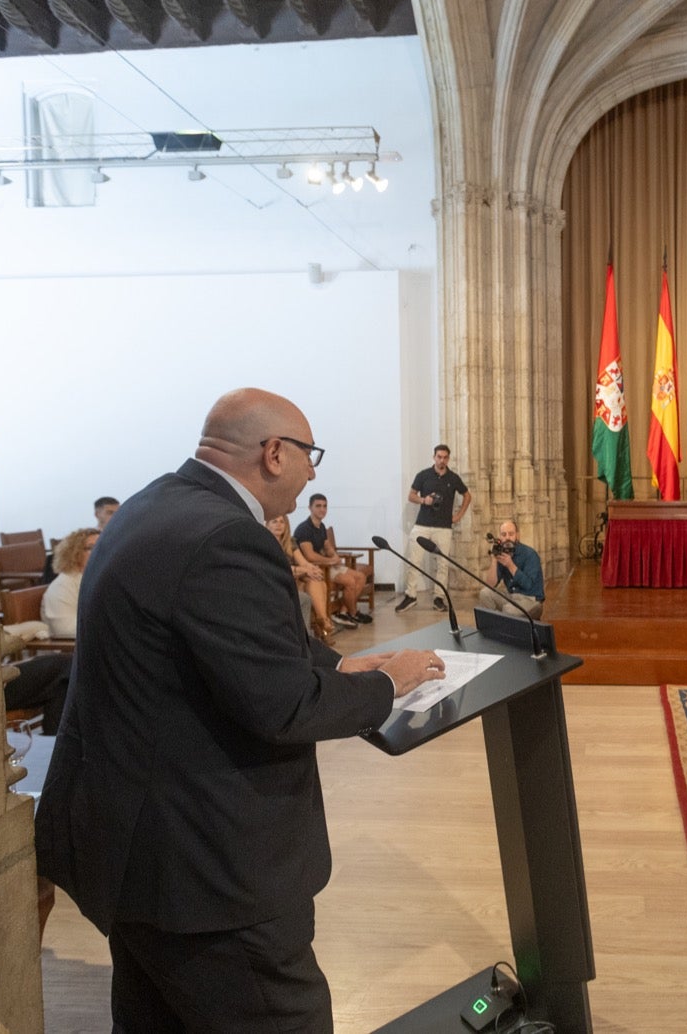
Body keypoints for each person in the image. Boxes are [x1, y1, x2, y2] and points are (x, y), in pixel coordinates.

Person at [32, 387, 440, 1034]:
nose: (313, 473)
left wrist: (339, 666)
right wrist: (390, 683)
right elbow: (282, 706)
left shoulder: (153, 505)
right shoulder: (226, 538)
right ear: (275, 453)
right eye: (311, 455)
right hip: (206, 870)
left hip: (133, 845)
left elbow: (232, 644)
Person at [396, 444, 472, 613]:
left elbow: (467, 495)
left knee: (443, 564)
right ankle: (411, 596)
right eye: (439, 457)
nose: (442, 460)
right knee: (413, 560)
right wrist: (424, 500)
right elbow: (411, 496)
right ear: (434, 457)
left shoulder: (453, 478)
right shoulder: (423, 475)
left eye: (445, 457)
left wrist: (458, 516)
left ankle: (439, 598)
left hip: (443, 527)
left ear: (448, 459)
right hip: (422, 524)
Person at [295, 493, 372, 627]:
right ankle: (353, 613)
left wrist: (334, 555)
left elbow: (327, 546)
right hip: (316, 567)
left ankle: (343, 612)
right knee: (350, 581)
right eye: (318, 506)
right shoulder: (304, 529)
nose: (322, 509)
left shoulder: (321, 526)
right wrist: (330, 561)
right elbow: (309, 556)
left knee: (360, 577)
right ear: (310, 508)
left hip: (328, 564)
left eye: (325, 506)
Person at [270, 512, 335, 640]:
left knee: (316, 580)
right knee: (313, 581)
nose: (279, 525)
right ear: (267, 525)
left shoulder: (290, 542)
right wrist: (303, 570)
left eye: (282, 522)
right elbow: (278, 568)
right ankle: (323, 623)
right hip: (280, 581)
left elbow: (303, 562)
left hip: (295, 579)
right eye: (274, 522)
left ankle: (322, 620)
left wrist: (313, 569)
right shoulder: (265, 542)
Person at [479, 519, 545, 619]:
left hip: (530, 599)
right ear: (500, 537)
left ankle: (503, 627)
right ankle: (494, 628)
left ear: (517, 536)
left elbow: (528, 585)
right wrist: (494, 560)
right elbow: (490, 585)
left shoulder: (530, 554)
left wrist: (510, 565)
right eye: (504, 534)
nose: (507, 538)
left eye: (511, 534)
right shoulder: (502, 554)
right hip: (511, 597)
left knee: (508, 610)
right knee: (484, 593)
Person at [40, 526, 98, 637]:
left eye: (101, 547)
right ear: (74, 553)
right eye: (90, 548)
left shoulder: (98, 579)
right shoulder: (62, 586)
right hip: (72, 649)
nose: (98, 552)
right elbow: (64, 629)